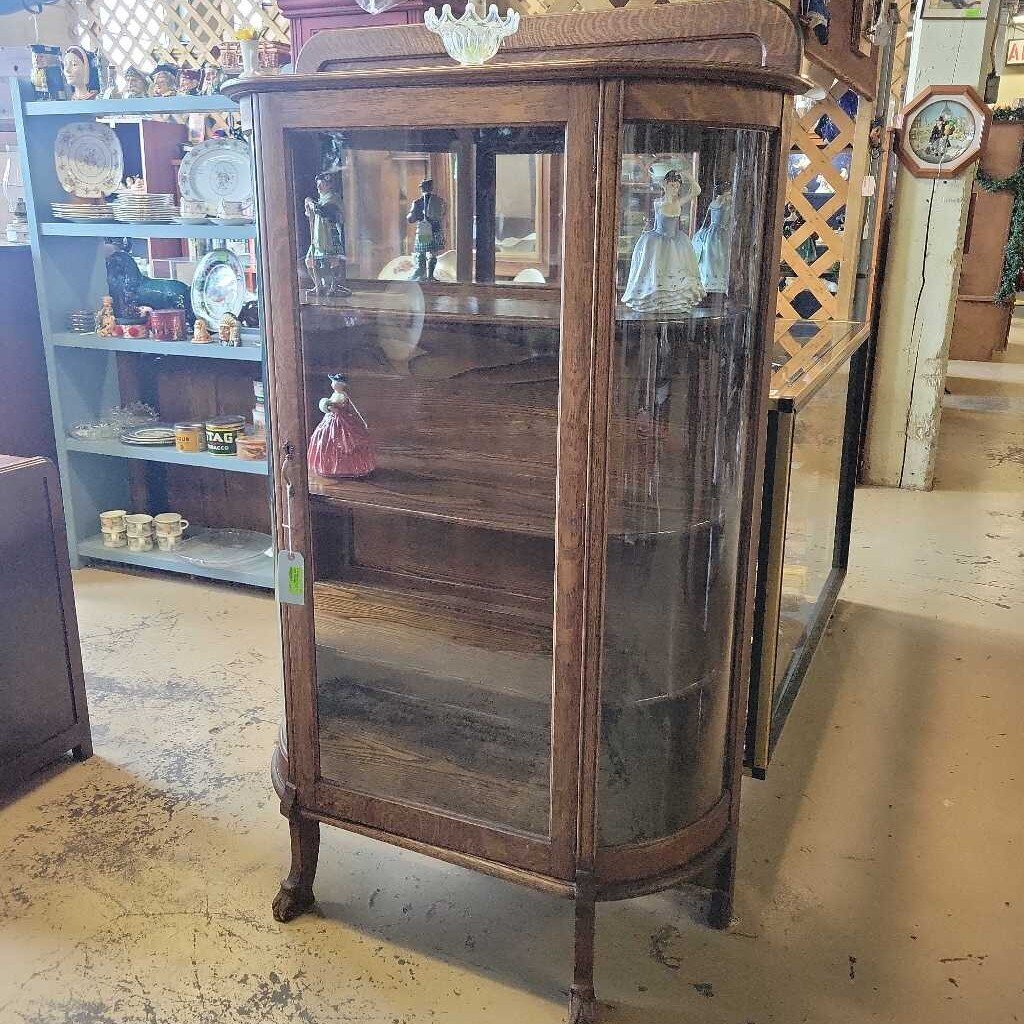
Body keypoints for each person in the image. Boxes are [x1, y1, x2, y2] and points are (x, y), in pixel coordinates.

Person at [621, 169, 705, 315]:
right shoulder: (658, 203)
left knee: (677, 271)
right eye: (673, 185)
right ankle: (655, 300)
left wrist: (686, 175)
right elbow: (656, 225)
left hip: (676, 243)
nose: (675, 189)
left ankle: (674, 303)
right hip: (658, 241)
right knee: (657, 270)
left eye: (677, 187)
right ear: (665, 185)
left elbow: (697, 190)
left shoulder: (679, 202)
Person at [307, 374, 376, 478]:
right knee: (324, 438)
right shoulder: (334, 394)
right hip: (330, 418)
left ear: (341, 385)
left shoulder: (343, 395)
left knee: (346, 441)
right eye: (332, 382)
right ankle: (328, 467)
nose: (332, 384)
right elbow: (329, 404)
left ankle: (349, 468)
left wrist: (363, 421)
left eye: (334, 383)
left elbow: (352, 408)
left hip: (341, 419)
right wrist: (327, 407)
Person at [304, 172, 350, 297]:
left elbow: (324, 211)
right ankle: (319, 285)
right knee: (309, 260)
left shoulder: (333, 198)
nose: (319, 188)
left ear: (329, 185)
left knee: (333, 260)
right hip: (318, 236)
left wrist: (311, 203)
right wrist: (309, 209)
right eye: (318, 185)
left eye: (322, 185)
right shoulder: (321, 199)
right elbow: (314, 214)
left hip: (329, 235)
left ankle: (334, 286)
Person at [407, 178, 446, 281]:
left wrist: (410, 216)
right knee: (433, 253)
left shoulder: (418, 202)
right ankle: (430, 276)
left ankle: (421, 273)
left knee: (421, 252)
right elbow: (442, 214)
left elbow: (411, 218)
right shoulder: (439, 201)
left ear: (422, 189)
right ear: (431, 188)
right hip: (436, 230)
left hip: (424, 229)